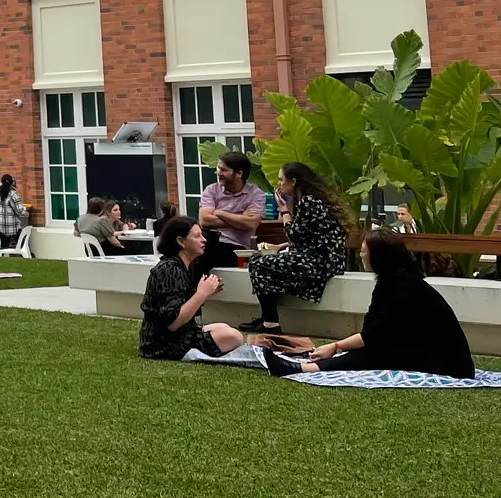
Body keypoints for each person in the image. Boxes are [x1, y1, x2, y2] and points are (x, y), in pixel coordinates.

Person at [270, 230, 474, 378]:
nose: (360, 255)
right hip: (422, 350)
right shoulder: (388, 283)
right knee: (372, 351)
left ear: (379, 257)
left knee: (376, 355)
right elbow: (373, 327)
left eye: (364, 251)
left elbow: (373, 335)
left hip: (448, 364)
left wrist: (335, 346)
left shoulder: (405, 287)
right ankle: (312, 366)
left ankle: (303, 369)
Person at [241, 162, 354, 335]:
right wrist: (282, 246)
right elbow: (309, 237)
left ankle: (271, 323)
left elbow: (294, 234)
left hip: (321, 263)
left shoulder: (308, 201)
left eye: (281, 180)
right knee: (263, 262)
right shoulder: (312, 200)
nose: (279, 184)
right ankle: (267, 318)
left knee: (258, 263)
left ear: (293, 182)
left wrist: (284, 211)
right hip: (326, 259)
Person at [138, 216, 247, 360]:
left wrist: (206, 293)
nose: (204, 240)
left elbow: (180, 305)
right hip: (165, 345)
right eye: (197, 236)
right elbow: (173, 323)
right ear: (181, 241)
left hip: (169, 337)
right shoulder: (170, 269)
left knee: (224, 327)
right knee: (234, 336)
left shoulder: (181, 267)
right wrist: (201, 294)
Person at [197, 152, 267, 269]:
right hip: (210, 242)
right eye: (218, 168)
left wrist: (220, 213)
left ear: (239, 174)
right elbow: (204, 220)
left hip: (237, 248)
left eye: (223, 170)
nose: (218, 173)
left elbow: (251, 223)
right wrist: (239, 219)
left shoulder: (256, 194)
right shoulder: (211, 190)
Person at [0, 174, 28, 249]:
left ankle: (4, 257)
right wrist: (27, 213)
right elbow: (20, 210)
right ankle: (19, 254)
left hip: (0, 224)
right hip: (12, 225)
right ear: (12, 183)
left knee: (4, 245)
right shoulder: (13, 194)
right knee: (19, 244)